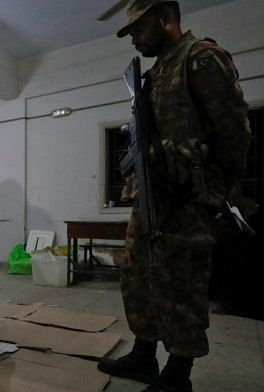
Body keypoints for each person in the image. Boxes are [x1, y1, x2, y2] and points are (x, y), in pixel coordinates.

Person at [98, 1, 252, 391]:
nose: (133, 38)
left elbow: (234, 133)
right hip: (152, 195)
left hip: (188, 198)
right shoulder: (155, 73)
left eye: (138, 28)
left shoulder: (201, 59)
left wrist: (218, 192)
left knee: (181, 286)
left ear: (166, 17)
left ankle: (178, 373)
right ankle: (144, 354)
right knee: (140, 278)